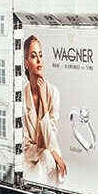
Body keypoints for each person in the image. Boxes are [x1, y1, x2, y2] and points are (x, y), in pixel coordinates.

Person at [21, 36, 68, 186]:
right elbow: (26, 145)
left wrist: (43, 100)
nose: (39, 61)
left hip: (48, 162)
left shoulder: (53, 92)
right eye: (34, 56)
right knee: (47, 156)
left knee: (48, 158)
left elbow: (49, 138)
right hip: (29, 160)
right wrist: (53, 153)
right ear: (26, 63)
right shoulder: (21, 97)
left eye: (41, 55)